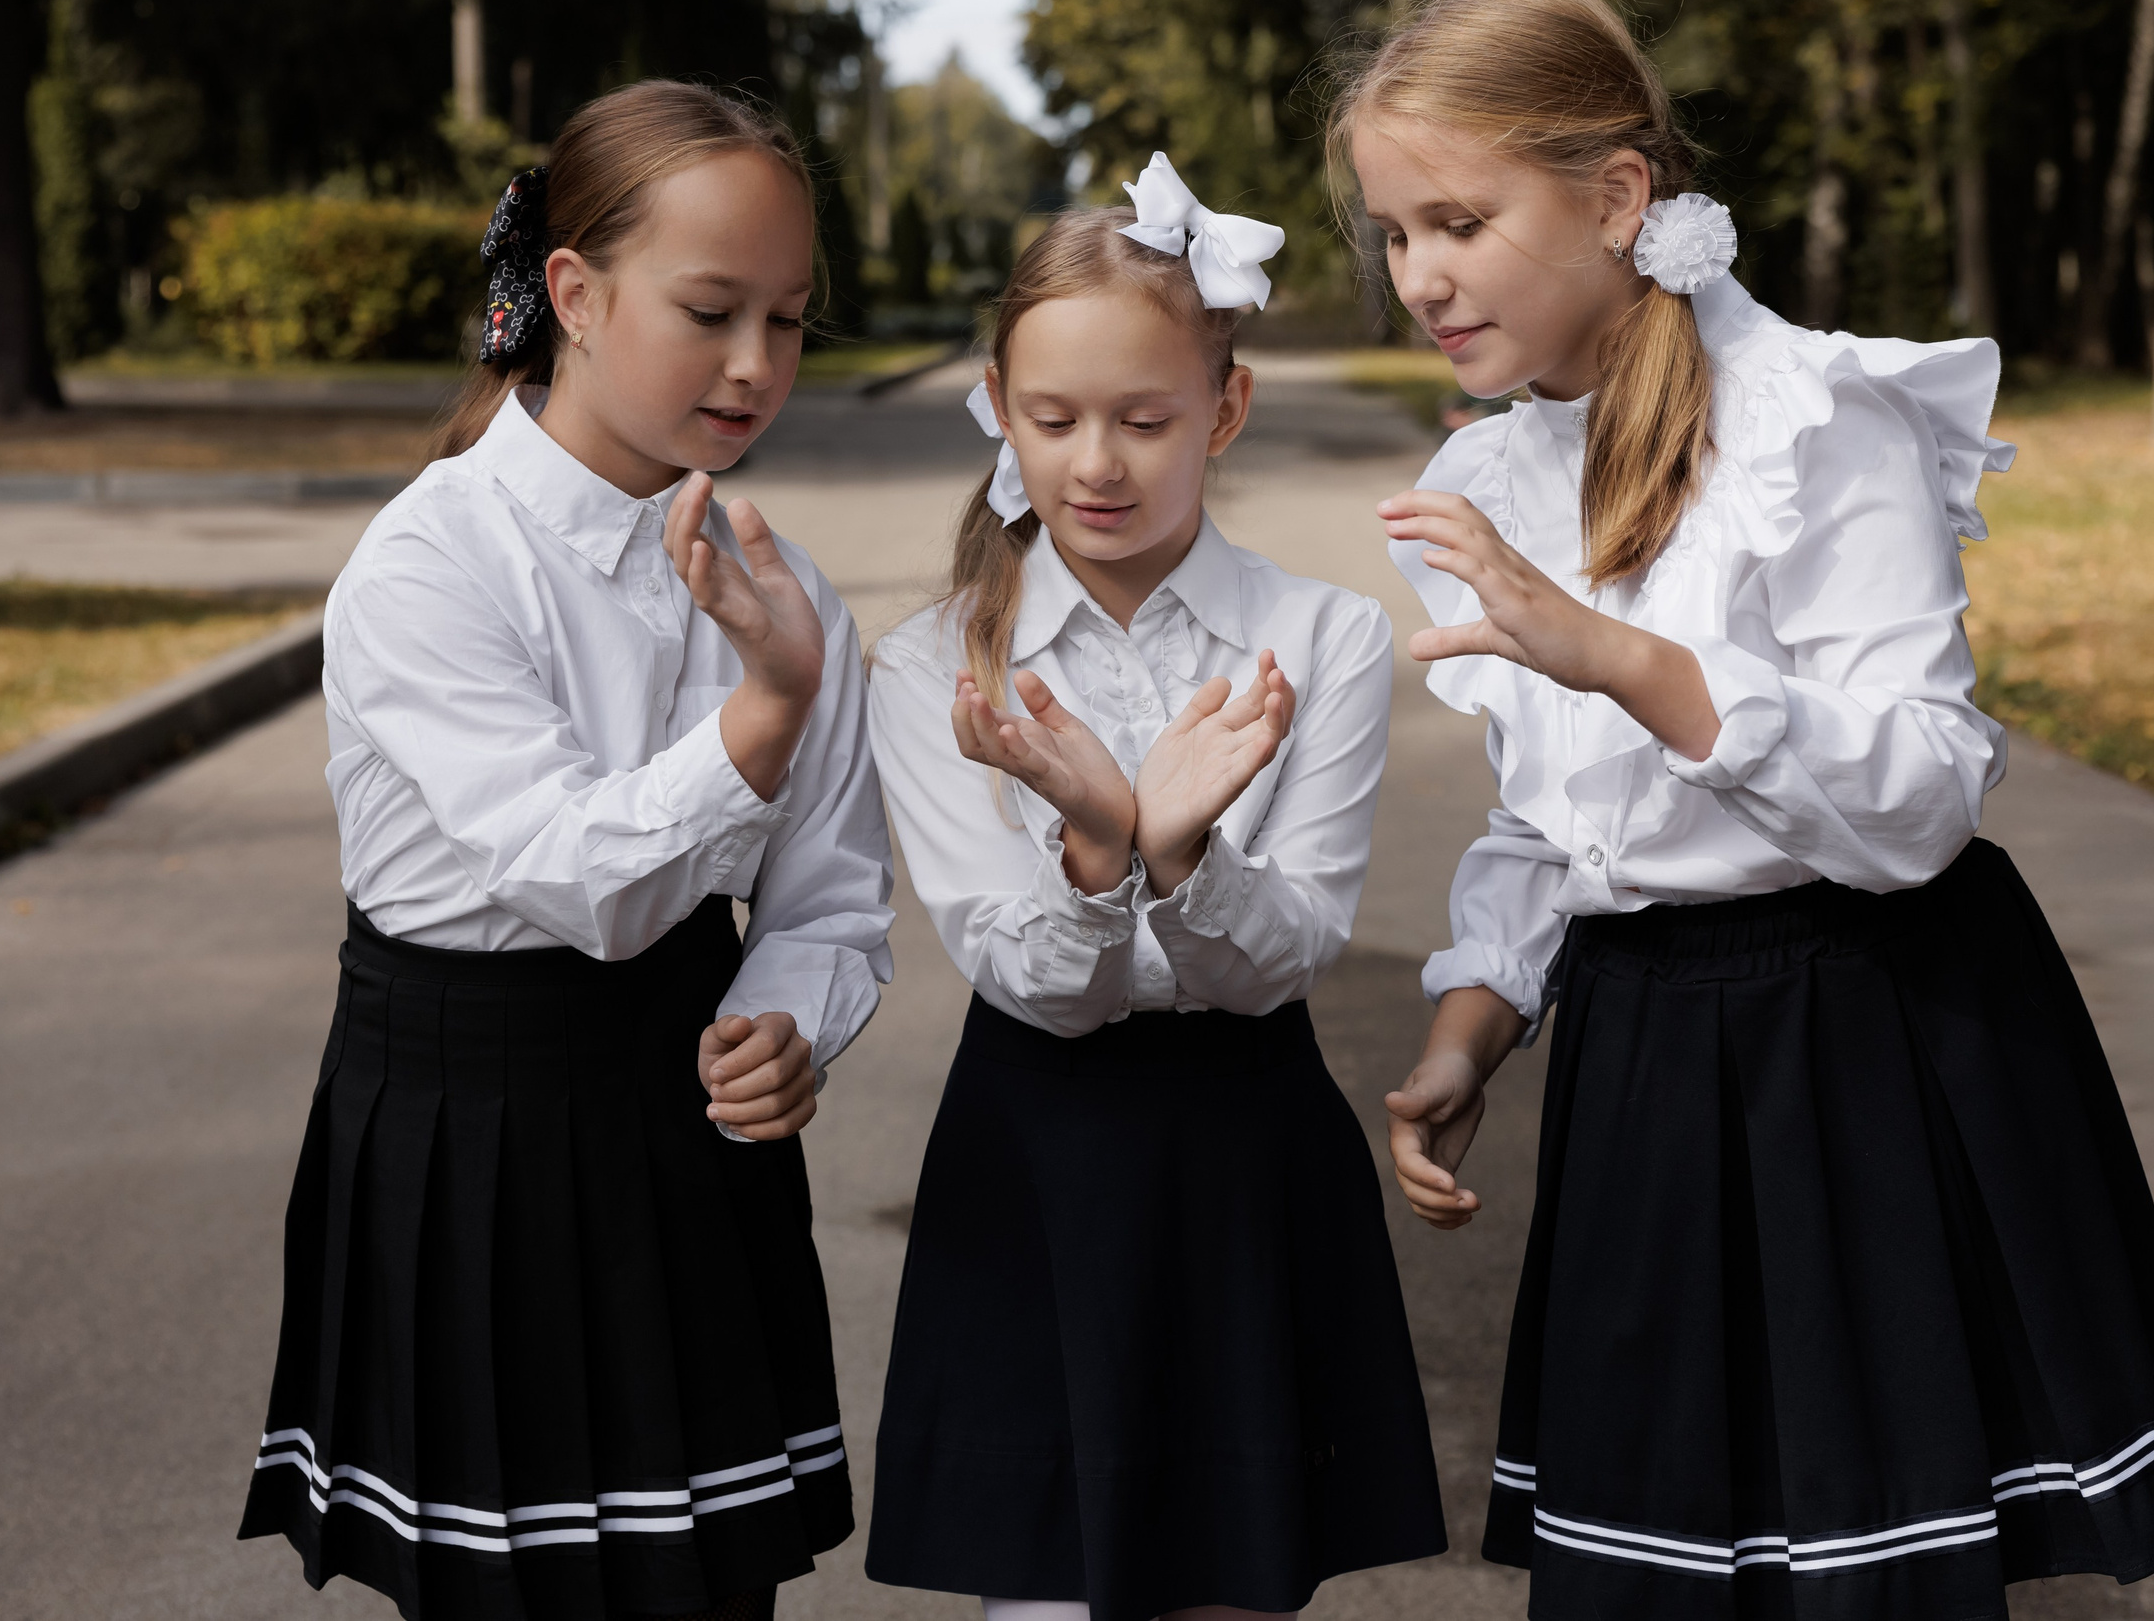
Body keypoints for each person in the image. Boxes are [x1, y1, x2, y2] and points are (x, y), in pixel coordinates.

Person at [1333, 0, 2154, 1621]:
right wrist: (1471, 1024)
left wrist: (1630, 659)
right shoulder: (1492, 470)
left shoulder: (1816, 421)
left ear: (1614, 199)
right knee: (1649, 1574)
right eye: (1393, 233)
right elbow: (1558, 825)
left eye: (1457, 218)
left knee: (1865, 1570)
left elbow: (1926, 791)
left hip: (1862, 1051)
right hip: (1643, 1072)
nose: (1420, 275)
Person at [238, 80, 894, 1621]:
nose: (755, 365)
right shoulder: (430, 559)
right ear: (577, 296)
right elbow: (585, 883)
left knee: (705, 1585)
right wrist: (766, 703)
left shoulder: (785, 589)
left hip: (685, 1135)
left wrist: (793, 1018)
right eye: (711, 308)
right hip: (470, 1124)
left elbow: (833, 897)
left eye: (790, 321)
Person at [861, 162, 1447, 1621]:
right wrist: (1098, 847)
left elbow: (1283, 957)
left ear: (1224, 412)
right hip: (1034, 1160)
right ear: (997, 405)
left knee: (1237, 1585)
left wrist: (1180, 855)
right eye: (1053, 421)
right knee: (1045, 1594)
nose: (1096, 465)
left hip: (1244, 1156)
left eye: (1144, 419)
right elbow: (1025, 976)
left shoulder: (1323, 640)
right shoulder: (936, 662)